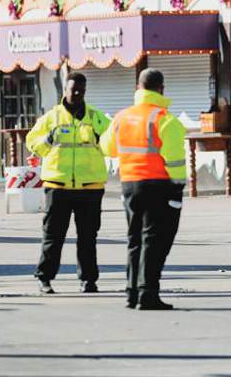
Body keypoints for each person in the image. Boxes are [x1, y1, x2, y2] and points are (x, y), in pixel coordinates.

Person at [101, 68, 187, 310]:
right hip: (159, 185)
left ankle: (132, 292)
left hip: (129, 185)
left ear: (138, 88)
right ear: (161, 89)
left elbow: (107, 148)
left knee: (134, 239)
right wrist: (179, 184)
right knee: (154, 240)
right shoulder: (165, 119)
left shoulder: (121, 117)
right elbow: (174, 159)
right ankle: (148, 293)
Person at [25, 72, 111, 295]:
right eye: (73, 90)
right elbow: (31, 142)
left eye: (81, 91)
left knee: (88, 237)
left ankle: (88, 280)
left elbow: (113, 143)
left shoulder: (95, 117)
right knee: (53, 236)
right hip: (58, 185)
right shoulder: (51, 117)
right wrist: (48, 140)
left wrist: (101, 139)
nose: (77, 94)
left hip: (90, 186)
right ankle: (44, 278)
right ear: (64, 90)